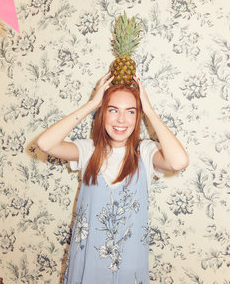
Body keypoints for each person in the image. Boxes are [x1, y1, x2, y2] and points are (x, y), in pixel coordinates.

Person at [37, 72, 189, 284]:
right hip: (85, 266)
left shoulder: (145, 151)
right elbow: (45, 144)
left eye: (130, 112)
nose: (121, 120)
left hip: (129, 270)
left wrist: (151, 112)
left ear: (138, 116)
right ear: (103, 114)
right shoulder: (88, 150)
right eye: (113, 110)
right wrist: (91, 105)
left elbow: (178, 162)